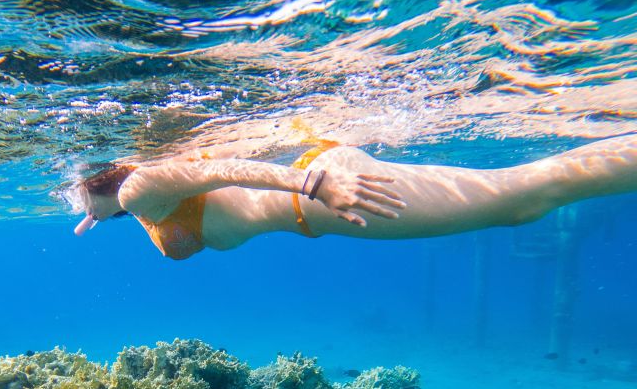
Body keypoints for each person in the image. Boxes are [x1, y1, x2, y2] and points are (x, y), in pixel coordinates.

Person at [71, 134, 637, 260]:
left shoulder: (139, 186)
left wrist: (315, 183)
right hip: (314, 194)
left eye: (75, 196)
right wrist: (101, 213)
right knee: (524, 199)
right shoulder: (135, 201)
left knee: (529, 195)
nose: (75, 210)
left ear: (97, 176)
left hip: (319, 194)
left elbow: (226, 165)